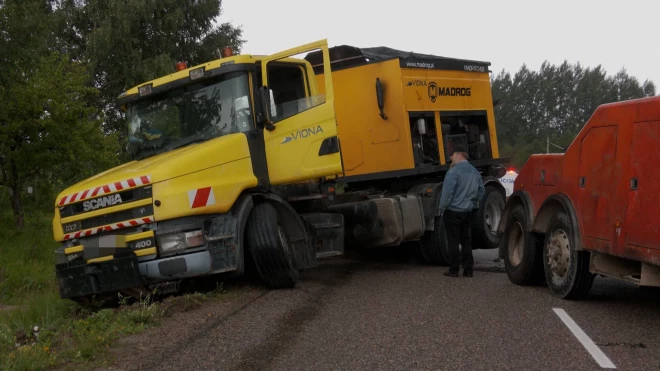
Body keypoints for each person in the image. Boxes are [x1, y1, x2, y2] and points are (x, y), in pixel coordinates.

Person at [438, 145, 485, 278]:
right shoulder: (475, 172)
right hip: (468, 211)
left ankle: (453, 270)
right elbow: (481, 191)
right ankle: (468, 270)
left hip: (452, 210)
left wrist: (442, 208)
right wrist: (473, 202)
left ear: (459, 155)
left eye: (452, 155)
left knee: (453, 240)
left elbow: (447, 194)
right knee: (466, 241)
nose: (450, 158)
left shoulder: (453, 172)